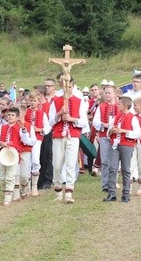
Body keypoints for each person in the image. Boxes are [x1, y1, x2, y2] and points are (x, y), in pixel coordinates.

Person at [49, 76, 89, 204]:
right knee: (57, 163)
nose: (67, 89)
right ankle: (58, 189)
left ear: (73, 86)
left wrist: (72, 119)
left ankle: (69, 192)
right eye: (65, 87)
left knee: (71, 163)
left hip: (73, 135)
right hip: (59, 135)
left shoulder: (79, 100)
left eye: (70, 87)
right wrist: (59, 113)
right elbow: (50, 121)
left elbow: (83, 121)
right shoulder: (55, 100)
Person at [0, 107, 34, 206]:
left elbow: (26, 140)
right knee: (2, 177)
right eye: (9, 115)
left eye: (12, 115)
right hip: (3, 153)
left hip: (14, 154)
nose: (10, 117)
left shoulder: (20, 128)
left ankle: (8, 198)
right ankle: (6, 193)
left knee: (11, 176)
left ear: (17, 117)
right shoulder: (2, 127)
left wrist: (24, 130)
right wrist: (0, 143)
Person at [106, 97, 140, 203]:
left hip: (126, 145)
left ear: (125, 105)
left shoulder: (132, 118)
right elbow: (108, 133)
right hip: (115, 144)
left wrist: (123, 131)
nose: (117, 105)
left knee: (126, 169)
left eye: (120, 104)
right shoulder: (116, 117)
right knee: (112, 168)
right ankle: (111, 193)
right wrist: (111, 131)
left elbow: (137, 133)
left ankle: (126, 194)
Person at [24, 91, 51, 196]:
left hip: (37, 139)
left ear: (39, 101)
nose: (33, 102)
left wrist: (39, 129)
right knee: (27, 161)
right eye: (31, 100)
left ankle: (34, 186)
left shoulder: (41, 113)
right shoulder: (26, 112)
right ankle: (27, 186)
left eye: (35, 100)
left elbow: (48, 127)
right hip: (26, 140)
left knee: (35, 160)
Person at [92, 85, 118, 192]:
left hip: (116, 136)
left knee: (115, 160)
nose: (107, 95)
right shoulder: (101, 107)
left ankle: (113, 182)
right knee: (104, 160)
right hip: (104, 136)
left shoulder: (118, 106)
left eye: (109, 93)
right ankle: (105, 184)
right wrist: (104, 125)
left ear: (114, 94)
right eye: (106, 93)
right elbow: (95, 122)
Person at [38, 78, 56, 190]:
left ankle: (47, 179)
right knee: (40, 156)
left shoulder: (49, 104)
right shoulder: (38, 105)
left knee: (48, 155)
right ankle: (39, 178)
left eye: (49, 86)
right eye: (46, 86)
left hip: (49, 132)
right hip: (38, 133)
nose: (47, 87)